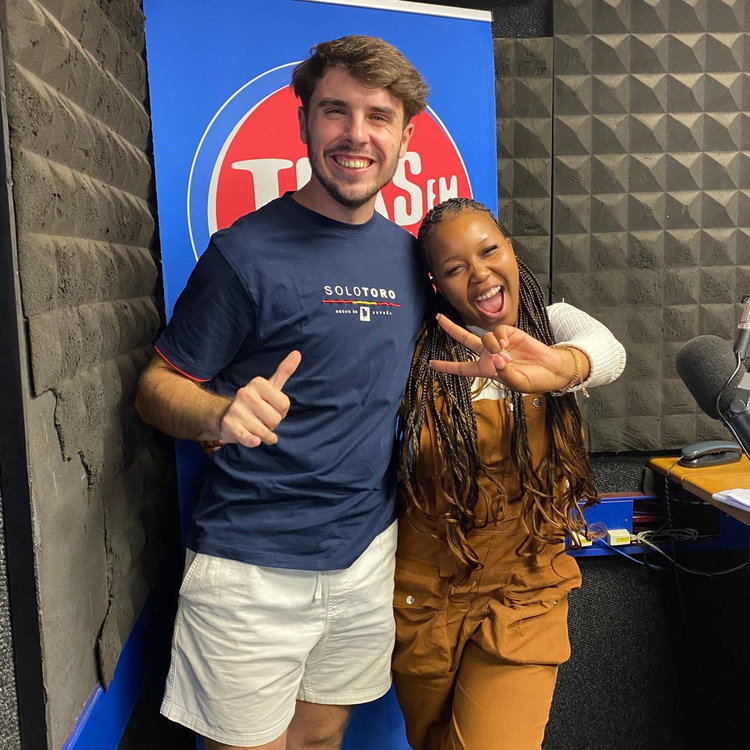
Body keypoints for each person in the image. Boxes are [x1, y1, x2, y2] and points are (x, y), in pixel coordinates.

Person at [135, 35, 429, 750]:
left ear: (404, 136)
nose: (356, 135)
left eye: (378, 117)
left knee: (323, 738)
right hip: (251, 567)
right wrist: (219, 412)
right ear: (303, 121)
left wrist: (572, 359)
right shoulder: (244, 254)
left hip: (365, 556)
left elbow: (509, 315)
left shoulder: (412, 257)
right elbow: (155, 388)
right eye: (335, 111)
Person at [391, 197, 626, 750]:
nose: (479, 273)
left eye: (488, 251)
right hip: (425, 600)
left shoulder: (553, 324)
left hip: (525, 591)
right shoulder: (413, 353)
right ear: (436, 284)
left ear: (512, 252)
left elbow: (608, 352)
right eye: (455, 267)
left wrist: (560, 367)